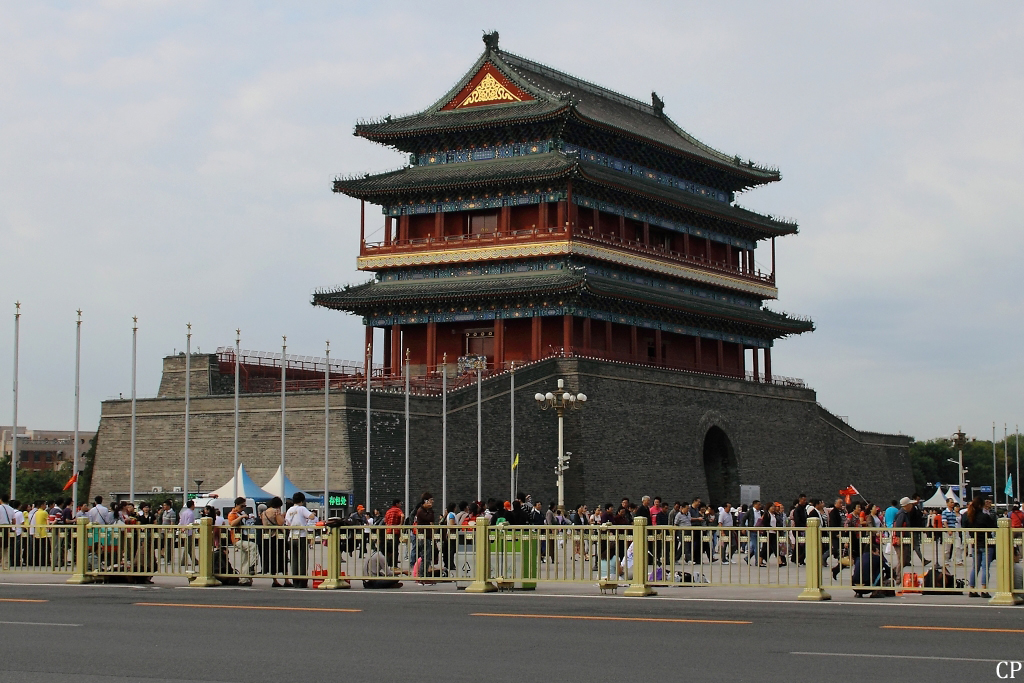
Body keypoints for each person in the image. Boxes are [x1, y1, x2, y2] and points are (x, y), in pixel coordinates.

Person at [962, 495, 995, 598]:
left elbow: (963, 524)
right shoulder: (984, 517)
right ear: (981, 505)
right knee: (985, 568)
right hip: (986, 544)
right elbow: (994, 526)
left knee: (975, 567)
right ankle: (984, 589)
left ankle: (972, 589)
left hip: (974, 543)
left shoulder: (968, 516)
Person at [285, 492, 317, 587]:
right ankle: (302, 581)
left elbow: (287, 522)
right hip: (301, 536)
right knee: (302, 559)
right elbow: (311, 517)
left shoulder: (289, 510)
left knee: (294, 559)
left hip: (291, 536)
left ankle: (295, 580)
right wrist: (313, 514)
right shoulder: (302, 508)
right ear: (302, 501)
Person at [227, 497, 257, 585]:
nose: (243, 508)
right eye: (242, 506)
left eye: (245, 506)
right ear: (236, 505)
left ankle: (244, 579)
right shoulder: (232, 514)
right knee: (253, 546)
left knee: (245, 560)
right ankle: (252, 566)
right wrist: (242, 517)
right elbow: (232, 524)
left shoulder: (241, 513)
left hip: (244, 537)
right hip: (237, 539)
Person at [259, 497, 288, 587]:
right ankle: (286, 580)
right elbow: (280, 523)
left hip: (267, 538)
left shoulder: (264, 513)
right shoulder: (276, 511)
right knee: (282, 558)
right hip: (277, 537)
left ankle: (274, 580)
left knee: (271, 559)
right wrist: (282, 516)